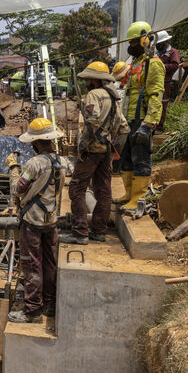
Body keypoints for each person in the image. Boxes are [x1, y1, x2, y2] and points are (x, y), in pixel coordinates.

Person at [60, 62, 130, 245]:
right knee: (104, 190)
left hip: (92, 150)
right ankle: (99, 231)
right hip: (106, 151)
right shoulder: (114, 97)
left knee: (77, 188)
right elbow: (124, 127)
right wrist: (114, 148)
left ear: (94, 79)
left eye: (88, 78)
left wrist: (82, 147)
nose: (86, 82)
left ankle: (80, 233)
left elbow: (92, 121)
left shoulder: (93, 95)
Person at [4, 118, 64, 323]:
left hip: (33, 221)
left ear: (36, 142)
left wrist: (13, 168)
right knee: (49, 263)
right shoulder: (60, 162)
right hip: (51, 220)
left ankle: (32, 310)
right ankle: (49, 304)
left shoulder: (34, 164)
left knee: (32, 265)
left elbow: (17, 189)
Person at [114, 21, 165, 212]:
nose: (131, 46)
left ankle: (138, 197)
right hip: (128, 119)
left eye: (135, 42)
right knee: (126, 156)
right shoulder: (136, 63)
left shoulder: (154, 64)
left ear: (145, 40)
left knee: (140, 157)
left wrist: (148, 124)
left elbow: (156, 95)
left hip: (142, 119)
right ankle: (128, 193)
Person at [155, 30, 180, 132]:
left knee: (162, 105)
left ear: (165, 42)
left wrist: (160, 67)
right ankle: (152, 126)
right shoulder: (156, 53)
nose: (157, 45)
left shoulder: (172, 52)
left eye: (159, 43)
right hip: (155, 82)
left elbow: (175, 65)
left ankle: (159, 128)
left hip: (165, 83)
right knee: (153, 104)